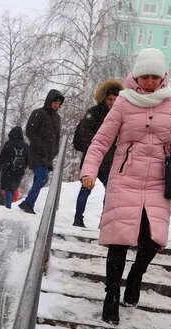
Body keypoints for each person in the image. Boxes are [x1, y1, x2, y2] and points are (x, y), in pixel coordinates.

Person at [79, 48, 171, 325]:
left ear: (163, 77)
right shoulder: (123, 102)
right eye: (144, 76)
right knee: (118, 241)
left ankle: (136, 274)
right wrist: (88, 171)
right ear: (136, 76)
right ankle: (111, 296)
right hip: (125, 180)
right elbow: (101, 141)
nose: (149, 82)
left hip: (159, 181)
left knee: (152, 240)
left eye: (154, 76)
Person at [72, 79, 123, 227]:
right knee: (86, 189)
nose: (112, 102)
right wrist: (97, 147)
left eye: (115, 99)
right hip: (94, 160)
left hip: (110, 162)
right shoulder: (93, 113)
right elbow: (85, 133)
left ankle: (104, 221)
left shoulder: (120, 115)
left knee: (110, 193)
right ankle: (78, 218)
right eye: (110, 99)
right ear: (104, 98)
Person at [19, 89, 65, 214]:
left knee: (39, 179)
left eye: (58, 103)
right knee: (43, 178)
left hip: (48, 155)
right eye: (54, 102)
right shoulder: (38, 113)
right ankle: (27, 203)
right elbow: (30, 131)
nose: (56, 105)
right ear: (49, 101)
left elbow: (57, 136)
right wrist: (40, 145)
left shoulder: (57, 118)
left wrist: (54, 150)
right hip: (36, 153)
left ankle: (29, 205)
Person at [0, 126, 30, 209]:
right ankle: (8, 205)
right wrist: (24, 168)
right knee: (13, 188)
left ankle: (8, 206)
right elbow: (28, 159)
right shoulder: (25, 146)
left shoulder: (8, 144)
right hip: (19, 170)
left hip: (8, 169)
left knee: (8, 189)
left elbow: (2, 158)